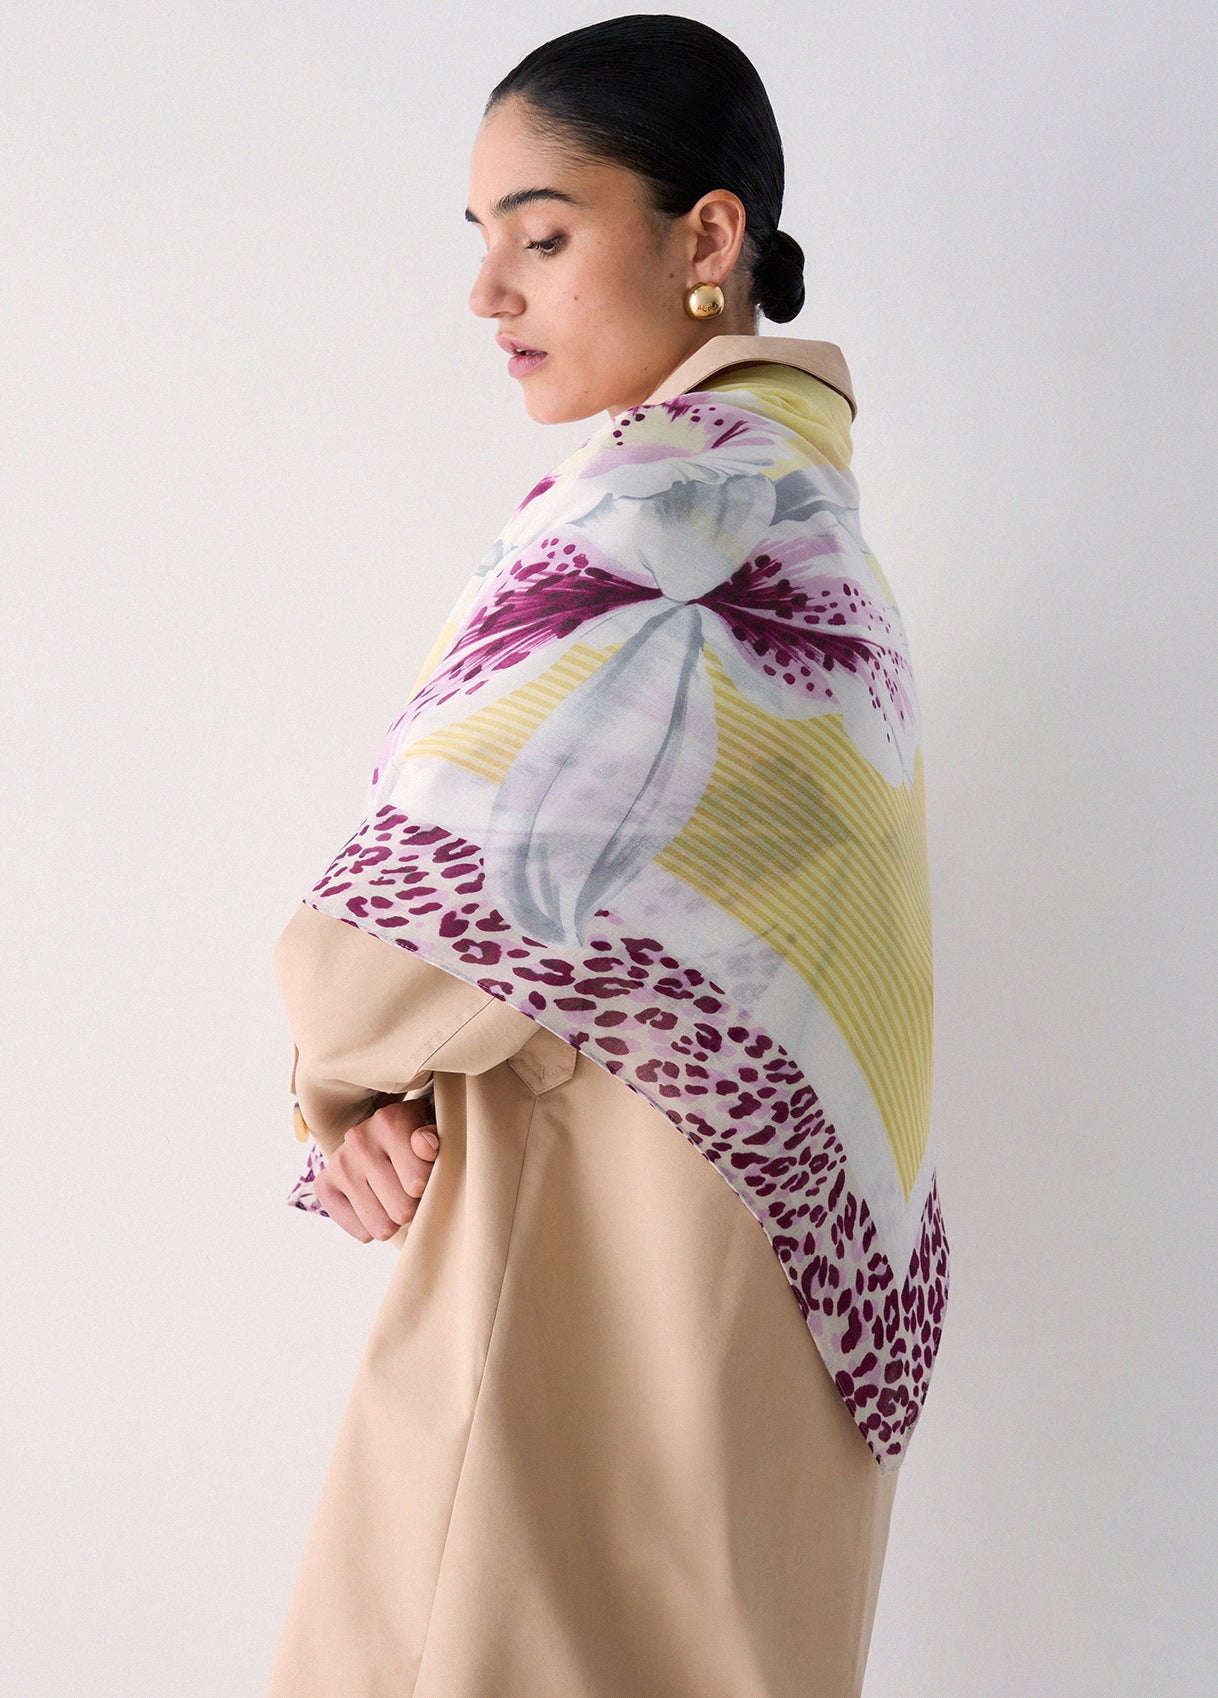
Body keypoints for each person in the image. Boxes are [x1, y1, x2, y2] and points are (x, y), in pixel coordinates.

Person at [264, 16, 948, 1697]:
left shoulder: (671, 521)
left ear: (706, 237)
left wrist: (343, 1080)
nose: (486, 292)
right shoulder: (808, 521)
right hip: (731, 1330)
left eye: (544, 235)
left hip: (574, 1309)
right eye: (481, 237)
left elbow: (411, 936)